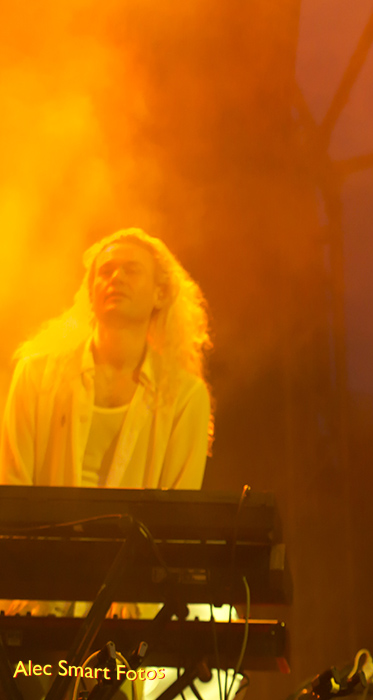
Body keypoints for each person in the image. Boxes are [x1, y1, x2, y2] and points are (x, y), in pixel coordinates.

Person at [0, 228, 217, 699]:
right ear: (89, 289)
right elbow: (13, 489)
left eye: (130, 269)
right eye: (105, 270)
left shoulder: (185, 398)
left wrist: (133, 597)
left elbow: (175, 519)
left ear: (162, 292)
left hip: (124, 619)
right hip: (33, 608)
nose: (114, 277)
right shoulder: (36, 375)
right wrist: (27, 588)